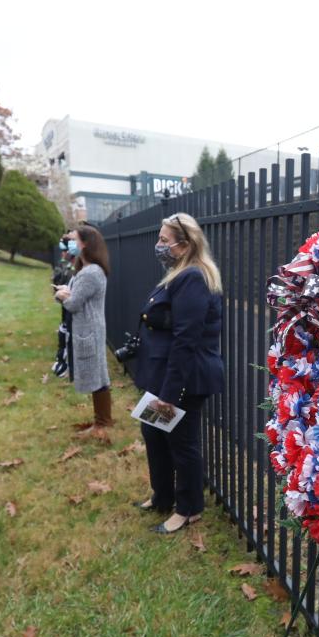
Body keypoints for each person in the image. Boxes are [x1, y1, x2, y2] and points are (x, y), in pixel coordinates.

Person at [131, 212, 223, 534]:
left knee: (182, 443)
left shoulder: (193, 278)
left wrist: (171, 393)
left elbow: (187, 339)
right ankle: (163, 497)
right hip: (167, 375)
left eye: (164, 240)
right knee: (153, 433)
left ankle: (188, 509)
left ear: (183, 246)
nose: (158, 245)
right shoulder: (178, 273)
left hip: (185, 378)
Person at [53, 224, 114, 440]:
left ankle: (102, 424)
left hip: (88, 329)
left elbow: (73, 303)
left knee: (97, 376)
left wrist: (62, 295)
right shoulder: (89, 270)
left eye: (73, 240)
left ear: (86, 243)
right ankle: (103, 422)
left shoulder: (90, 273)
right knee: (99, 374)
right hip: (91, 328)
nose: (70, 244)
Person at [50, 235, 76, 378]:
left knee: (67, 336)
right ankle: (61, 360)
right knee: (63, 334)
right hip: (66, 312)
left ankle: (66, 364)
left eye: (65, 250)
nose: (62, 254)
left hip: (71, 312)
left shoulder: (78, 269)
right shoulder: (66, 265)